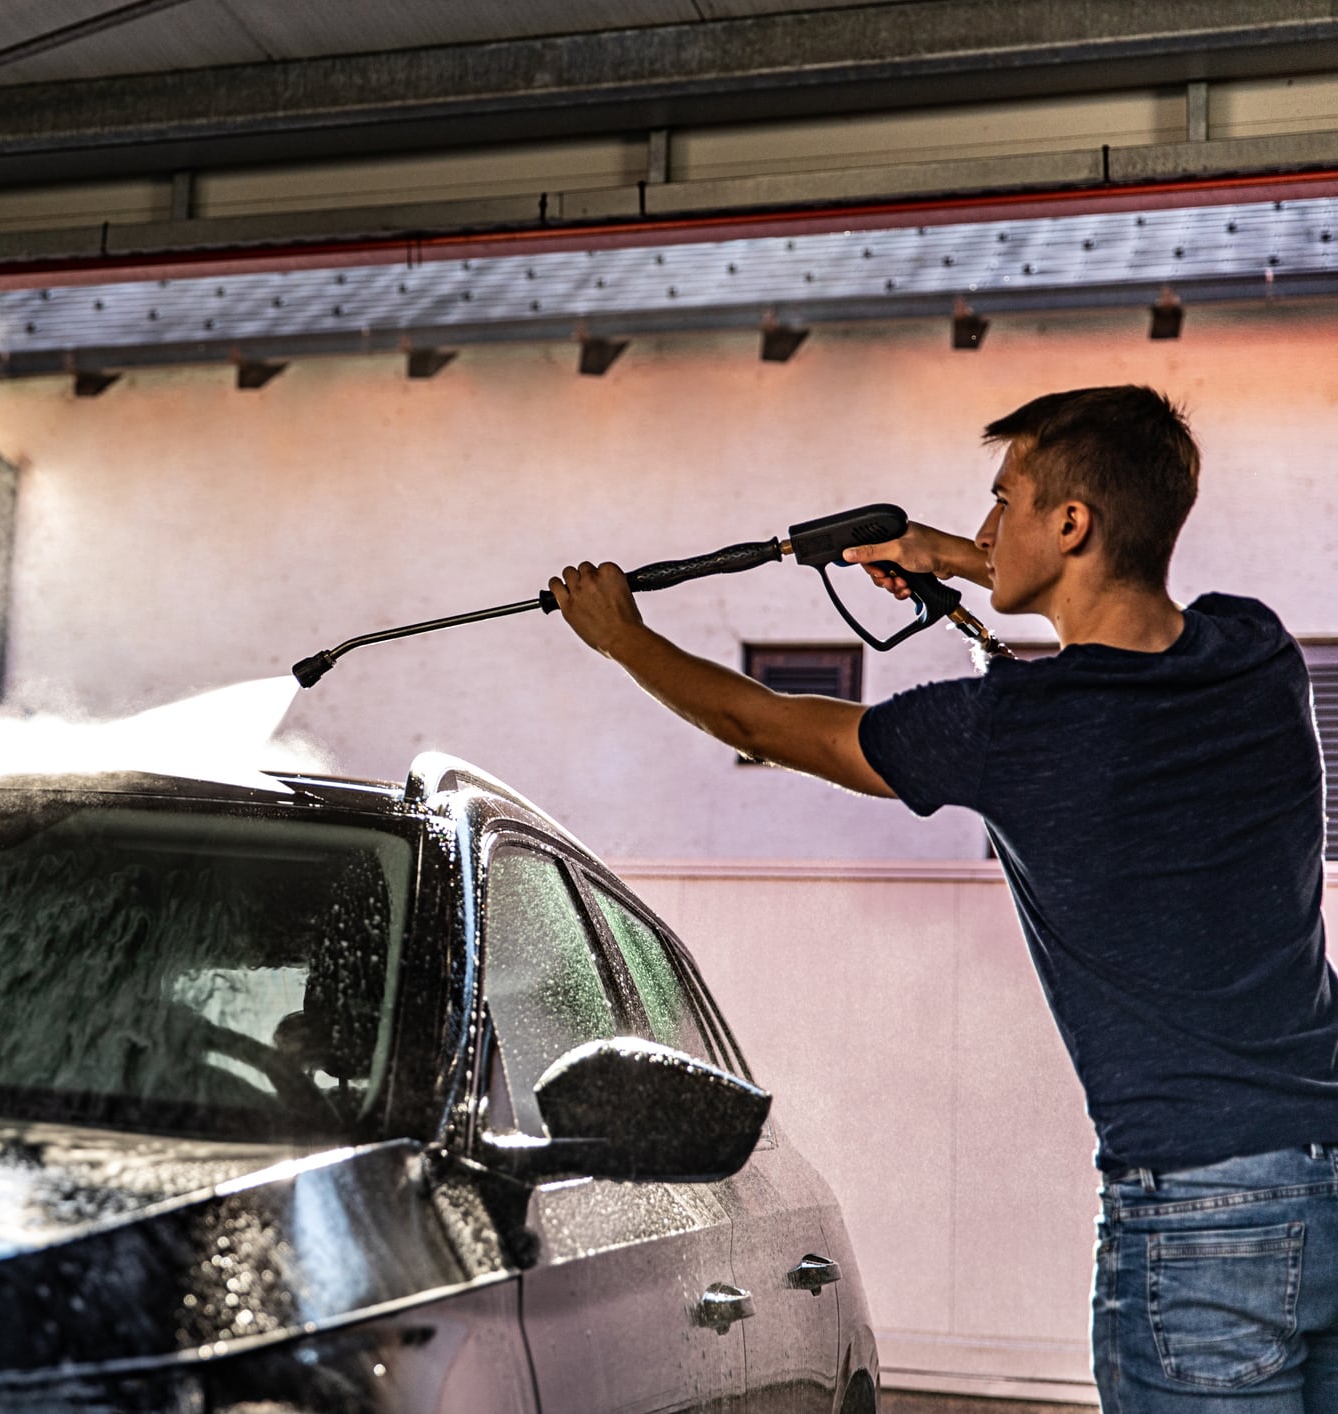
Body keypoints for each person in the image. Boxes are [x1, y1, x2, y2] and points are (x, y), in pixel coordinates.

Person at [548, 385, 1338, 1414]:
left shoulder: (1011, 728)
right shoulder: (1256, 651)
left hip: (1199, 1219)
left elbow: (766, 723)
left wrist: (623, 635)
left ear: (1071, 523)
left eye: (1002, 501)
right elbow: (1116, 650)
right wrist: (958, 561)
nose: (984, 526)